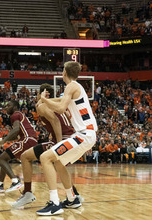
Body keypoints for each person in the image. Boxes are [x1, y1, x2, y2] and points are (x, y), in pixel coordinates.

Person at [36, 61, 98, 215]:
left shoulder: (72, 86)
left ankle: (54, 203)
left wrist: (43, 100)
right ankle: (72, 199)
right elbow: (59, 101)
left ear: (64, 72)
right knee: (58, 162)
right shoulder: (73, 88)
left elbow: (60, 108)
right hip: (85, 135)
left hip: (84, 134)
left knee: (45, 158)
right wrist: (43, 100)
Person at [12, 83, 82, 208]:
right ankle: (74, 194)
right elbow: (67, 120)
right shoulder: (58, 106)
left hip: (62, 139)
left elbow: (55, 122)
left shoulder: (42, 106)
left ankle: (28, 193)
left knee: (25, 157)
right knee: (59, 166)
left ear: (41, 94)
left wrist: (59, 143)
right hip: (71, 138)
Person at [0, 100, 37, 193]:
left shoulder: (15, 115)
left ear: (14, 107)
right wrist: (0, 140)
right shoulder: (20, 115)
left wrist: (4, 141)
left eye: (8, 106)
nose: (6, 108)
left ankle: (15, 181)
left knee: (1, 160)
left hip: (27, 140)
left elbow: (16, 129)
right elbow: (14, 134)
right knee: (4, 159)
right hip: (30, 140)